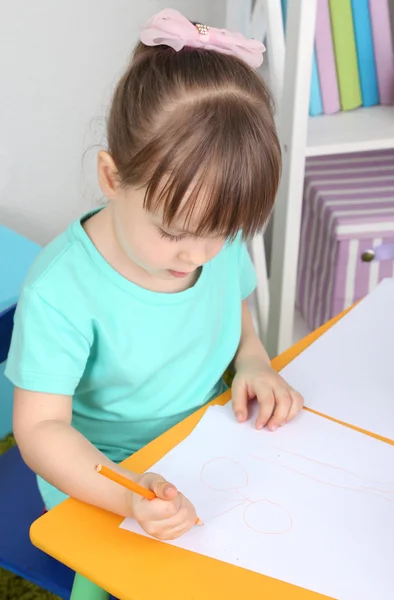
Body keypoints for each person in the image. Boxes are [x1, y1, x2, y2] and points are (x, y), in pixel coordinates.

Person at [5, 8, 303, 541]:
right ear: (112, 177)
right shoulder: (61, 290)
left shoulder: (212, 240)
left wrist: (255, 362)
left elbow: (234, 311)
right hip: (107, 471)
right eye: (173, 232)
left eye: (222, 233)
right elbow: (41, 429)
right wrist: (128, 491)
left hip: (212, 434)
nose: (199, 256)